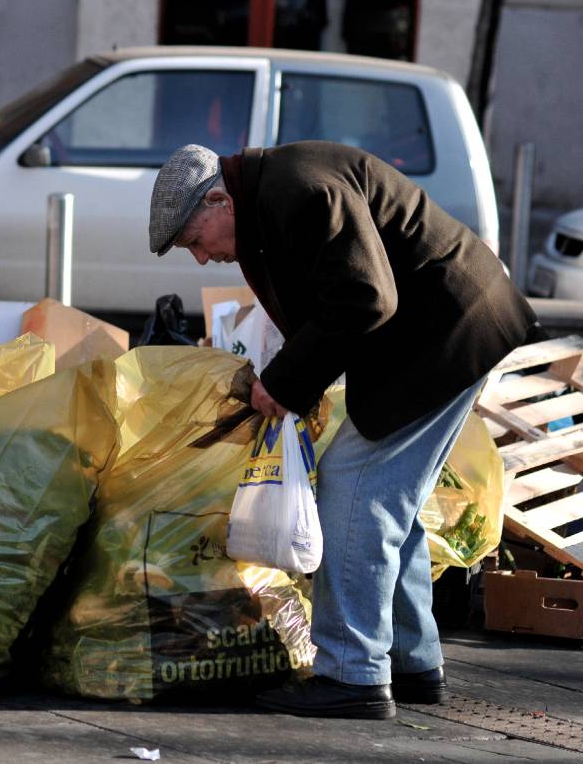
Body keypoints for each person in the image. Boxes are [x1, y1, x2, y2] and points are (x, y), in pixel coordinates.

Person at [147, 141, 538, 720]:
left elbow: (362, 298)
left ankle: (352, 673)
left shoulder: (298, 191)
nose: (201, 258)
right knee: (390, 502)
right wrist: (289, 380)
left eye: (193, 241)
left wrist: (285, 383)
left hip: (448, 333)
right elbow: (330, 298)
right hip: (444, 330)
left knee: (357, 490)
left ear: (217, 200)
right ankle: (411, 661)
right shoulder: (273, 193)